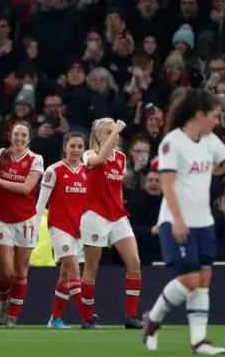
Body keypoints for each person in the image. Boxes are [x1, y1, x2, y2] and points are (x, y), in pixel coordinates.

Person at [143, 89, 225, 355]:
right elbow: (168, 184)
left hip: (203, 223)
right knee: (189, 279)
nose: (218, 121)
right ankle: (153, 319)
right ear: (199, 115)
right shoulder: (172, 143)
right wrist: (176, 219)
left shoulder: (210, 140)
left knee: (204, 279)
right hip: (175, 221)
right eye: (214, 116)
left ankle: (198, 341)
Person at [79, 117, 143, 329]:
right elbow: (101, 159)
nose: (114, 136)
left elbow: (116, 186)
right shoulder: (88, 155)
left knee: (134, 263)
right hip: (95, 216)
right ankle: (87, 318)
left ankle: (131, 316)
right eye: (108, 132)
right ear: (98, 136)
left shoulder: (122, 158)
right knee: (91, 269)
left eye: (114, 133)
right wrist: (117, 130)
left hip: (117, 215)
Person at [0, 121, 44, 328]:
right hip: (1, 219)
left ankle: (13, 317)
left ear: (29, 138)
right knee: (6, 271)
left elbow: (27, 188)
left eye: (23, 135)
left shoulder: (36, 159)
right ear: (11, 136)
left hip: (26, 219)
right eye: (16, 134)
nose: (19, 138)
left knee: (21, 271)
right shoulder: (1, 155)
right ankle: (3, 302)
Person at [36, 131, 89, 329]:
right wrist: (34, 227)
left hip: (80, 230)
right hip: (59, 227)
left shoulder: (88, 171)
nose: (76, 150)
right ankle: (87, 317)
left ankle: (55, 318)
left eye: (80, 147)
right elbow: (41, 201)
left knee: (66, 275)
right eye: (72, 146)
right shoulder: (54, 170)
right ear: (64, 147)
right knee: (74, 269)